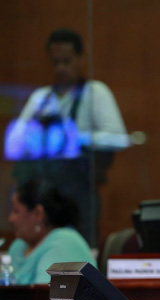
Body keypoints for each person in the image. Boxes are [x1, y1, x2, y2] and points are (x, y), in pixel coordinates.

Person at [6, 28, 129, 246]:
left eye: (67, 61)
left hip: (78, 196)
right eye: (55, 62)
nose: (61, 68)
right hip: (42, 200)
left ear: (81, 59)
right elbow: (15, 143)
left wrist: (74, 138)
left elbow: (119, 139)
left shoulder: (95, 92)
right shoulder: (41, 97)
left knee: (79, 257)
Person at [7, 179, 97, 285]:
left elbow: (43, 298)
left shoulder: (63, 242)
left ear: (38, 214)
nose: (10, 219)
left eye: (16, 211)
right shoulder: (18, 246)